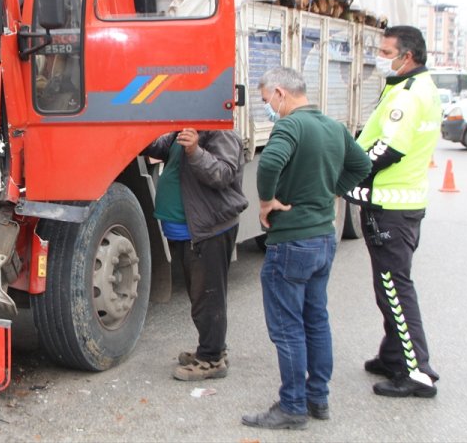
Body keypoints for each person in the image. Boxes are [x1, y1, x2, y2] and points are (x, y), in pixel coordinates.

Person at [242, 67, 371, 430]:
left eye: (267, 100)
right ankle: (318, 398)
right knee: (316, 320)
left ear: (281, 93)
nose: (268, 107)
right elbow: (362, 165)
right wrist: (332, 189)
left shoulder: (290, 126)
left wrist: (266, 202)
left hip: (292, 242)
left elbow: (268, 162)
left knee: (287, 327)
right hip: (322, 238)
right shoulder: (333, 127)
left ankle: (292, 407)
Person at [345, 25, 442, 398]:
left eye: (387, 52)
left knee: (394, 289)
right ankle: (392, 355)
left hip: (391, 206)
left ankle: (417, 371)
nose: (380, 57)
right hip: (403, 203)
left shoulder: (408, 97)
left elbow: (388, 149)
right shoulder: (420, 88)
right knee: (388, 286)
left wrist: (352, 172)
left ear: (409, 56)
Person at [144, 128, 248, 380]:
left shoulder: (221, 134)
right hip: (187, 231)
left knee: (208, 296)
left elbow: (222, 174)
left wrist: (195, 150)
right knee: (199, 295)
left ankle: (212, 360)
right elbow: (156, 147)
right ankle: (212, 348)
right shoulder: (183, 130)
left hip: (208, 231)